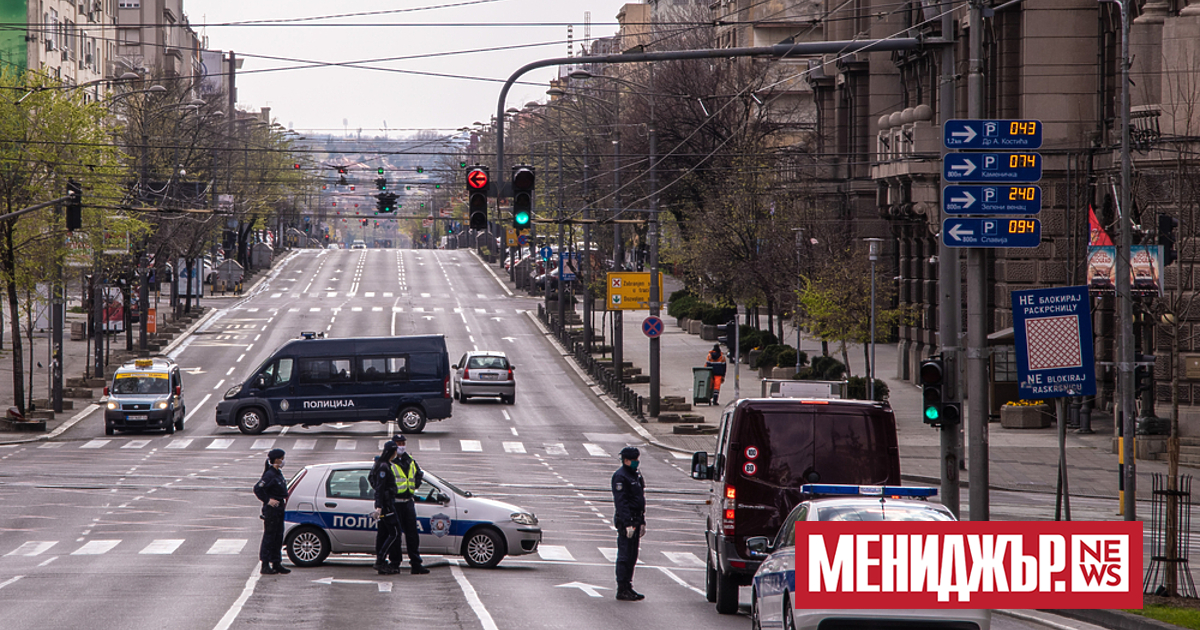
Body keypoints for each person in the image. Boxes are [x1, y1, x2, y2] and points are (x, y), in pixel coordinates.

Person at [390, 434, 430, 574]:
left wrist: (414, 486)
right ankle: (395, 564)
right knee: (395, 536)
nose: (401, 445)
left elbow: (419, 474)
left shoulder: (410, 460)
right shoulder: (389, 461)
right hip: (395, 503)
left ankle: (416, 564)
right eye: (398, 443)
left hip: (408, 502)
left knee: (412, 535)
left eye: (403, 443)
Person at [611, 446, 646, 601]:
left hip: (637, 519)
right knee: (625, 555)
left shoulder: (636, 475)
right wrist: (627, 523)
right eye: (634, 460)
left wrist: (642, 521)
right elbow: (621, 502)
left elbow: (640, 498)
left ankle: (628, 586)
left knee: (633, 555)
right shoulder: (620, 477)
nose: (636, 462)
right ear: (626, 460)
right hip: (627, 520)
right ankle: (622, 588)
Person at [256, 448, 291, 575]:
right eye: (282, 458)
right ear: (276, 459)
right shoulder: (269, 475)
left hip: (279, 508)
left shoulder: (277, 473)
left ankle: (276, 563)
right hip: (272, 510)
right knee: (269, 537)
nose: (283, 460)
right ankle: (265, 564)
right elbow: (258, 488)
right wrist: (267, 500)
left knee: (278, 537)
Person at [371, 441, 401, 575]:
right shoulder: (383, 467)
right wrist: (379, 507)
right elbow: (380, 488)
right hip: (387, 506)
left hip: (387, 504)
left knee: (385, 534)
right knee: (395, 533)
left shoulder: (384, 465)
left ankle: (382, 561)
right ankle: (380, 560)